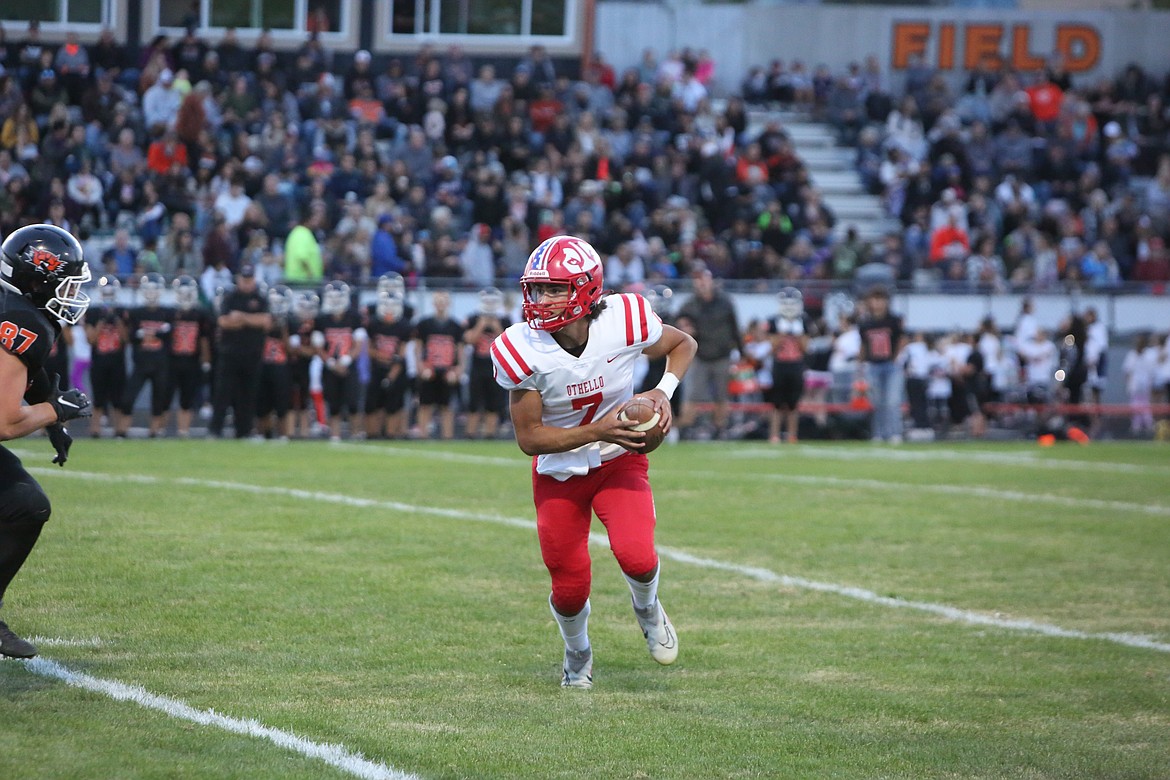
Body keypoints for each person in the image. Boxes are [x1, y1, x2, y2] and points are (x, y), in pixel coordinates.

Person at [490, 235, 697, 689]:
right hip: (558, 469)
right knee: (569, 585)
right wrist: (597, 430)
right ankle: (577, 653)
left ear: (585, 289)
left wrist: (662, 391)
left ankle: (648, 608)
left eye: (553, 289)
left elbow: (684, 344)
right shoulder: (520, 347)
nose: (540, 299)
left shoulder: (624, 319)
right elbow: (529, 439)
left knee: (638, 556)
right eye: (536, 289)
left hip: (619, 459)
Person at [0, 224, 94, 658]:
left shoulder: (12, 307)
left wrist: (48, 408)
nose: (71, 294)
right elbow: (2, 422)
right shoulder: (22, 321)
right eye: (66, 282)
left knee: (26, 503)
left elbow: (29, 378)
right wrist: (58, 410)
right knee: (25, 504)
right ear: (38, 277)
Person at [675, 267, 741, 438]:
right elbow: (678, 323)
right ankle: (685, 428)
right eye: (698, 281)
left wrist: (742, 352)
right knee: (692, 395)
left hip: (722, 355)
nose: (702, 284)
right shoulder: (689, 305)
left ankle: (720, 429)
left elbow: (735, 328)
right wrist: (684, 327)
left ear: (711, 281)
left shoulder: (725, 302)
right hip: (700, 355)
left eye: (704, 280)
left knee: (721, 395)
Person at [208, 264, 271, 438]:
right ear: (238, 279)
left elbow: (265, 321)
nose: (247, 283)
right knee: (222, 393)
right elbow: (223, 322)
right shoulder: (230, 297)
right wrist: (251, 320)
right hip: (229, 354)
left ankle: (243, 431)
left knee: (248, 395)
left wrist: (242, 317)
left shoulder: (260, 298)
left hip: (252, 354)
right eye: (244, 279)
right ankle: (215, 430)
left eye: (250, 279)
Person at [120, 272, 173, 438]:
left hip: (160, 362)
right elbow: (131, 336)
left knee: (159, 398)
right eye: (148, 289)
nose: (151, 293)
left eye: (154, 289)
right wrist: (153, 333)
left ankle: (155, 431)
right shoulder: (136, 313)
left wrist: (147, 333)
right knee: (128, 397)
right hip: (141, 362)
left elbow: (170, 336)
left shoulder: (168, 313)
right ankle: (122, 430)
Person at [857, 285, 906, 443]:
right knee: (876, 402)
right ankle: (878, 433)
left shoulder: (893, 320)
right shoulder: (865, 323)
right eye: (874, 299)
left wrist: (895, 358)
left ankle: (894, 433)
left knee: (892, 401)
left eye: (880, 299)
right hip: (873, 365)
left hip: (891, 366)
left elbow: (902, 340)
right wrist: (860, 365)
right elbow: (864, 346)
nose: (877, 303)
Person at [413, 290, 464, 440]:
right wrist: (421, 367)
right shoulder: (424, 324)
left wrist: (458, 369)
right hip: (429, 367)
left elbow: (460, 349)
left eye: (443, 301)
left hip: (448, 369)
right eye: (438, 301)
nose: (441, 304)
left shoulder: (455, 325)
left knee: (447, 406)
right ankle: (423, 435)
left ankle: (447, 436)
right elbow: (418, 347)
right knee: (425, 404)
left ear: (448, 303)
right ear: (434, 303)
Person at [167, 275, 213, 438]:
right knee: (165, 396)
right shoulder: (170, 313)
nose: (185, 297)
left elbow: (204, 339)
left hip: (192, 360)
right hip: (173, 360)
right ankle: (157, 430)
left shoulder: (200, 314)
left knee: (187, 398)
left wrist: (205, 361)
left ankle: (183, 430)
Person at [462, 286, 510, 439]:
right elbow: (469, 340)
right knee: (474, 402)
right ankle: (470, 433)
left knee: (494, 403)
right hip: (477, 366)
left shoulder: (504, 320)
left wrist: (496, 327)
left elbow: (508, 342)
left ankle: (490, 434)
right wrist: (481, 325)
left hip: (497, 367)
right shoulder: (473, 318)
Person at [83, 274, 128, 438]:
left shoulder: (122, 312)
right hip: (99, 360)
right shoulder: (93, 312)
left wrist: (116, 320)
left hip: (117, 360)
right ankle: (95, 430)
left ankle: (119, 430)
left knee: (118, 398)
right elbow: (90, 339)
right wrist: (102, 322)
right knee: (98, 399)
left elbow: (126, 339)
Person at [766, 287, 808, 444]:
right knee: (777, 403)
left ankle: (792, 435)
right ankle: (774, 435)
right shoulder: (773, 321)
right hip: (780, 364)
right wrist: (782, 334)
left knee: (793, 403)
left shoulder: (804, 320)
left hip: (796, 364)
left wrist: (798, 333)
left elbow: (805, 348)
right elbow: (772, 347)